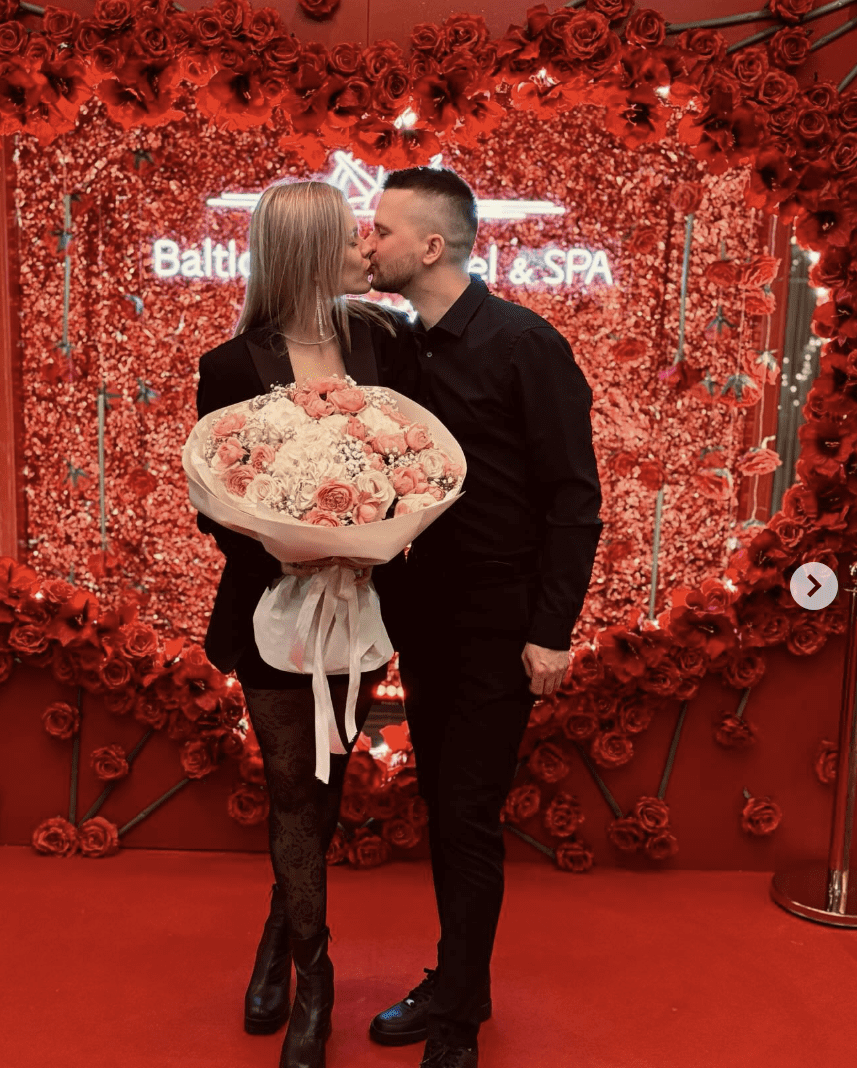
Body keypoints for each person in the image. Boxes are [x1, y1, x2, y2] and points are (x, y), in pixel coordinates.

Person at [362, 166, 603, 1068]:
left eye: (381, 230)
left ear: (431, 246)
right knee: (444, 803)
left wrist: (551, 630)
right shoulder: (398, 347)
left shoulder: (524, 344)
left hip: (502, 622)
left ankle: (458, 1014)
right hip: (424, 616)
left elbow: (574, 498)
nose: (367, 244)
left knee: (465, 813)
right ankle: (460, 982)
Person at [194, 179, 413, 1068]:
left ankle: (276, 934)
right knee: (292, 786)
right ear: (310, 251)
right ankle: (313, 979)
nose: (366, 248)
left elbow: (417, 461)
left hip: (360, 610)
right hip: (272, 612)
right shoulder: (230, 365)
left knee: (325, 783)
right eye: (350, 236)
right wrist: (293, 548)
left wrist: (373, 538)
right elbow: (214, 503)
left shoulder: (384, 343)